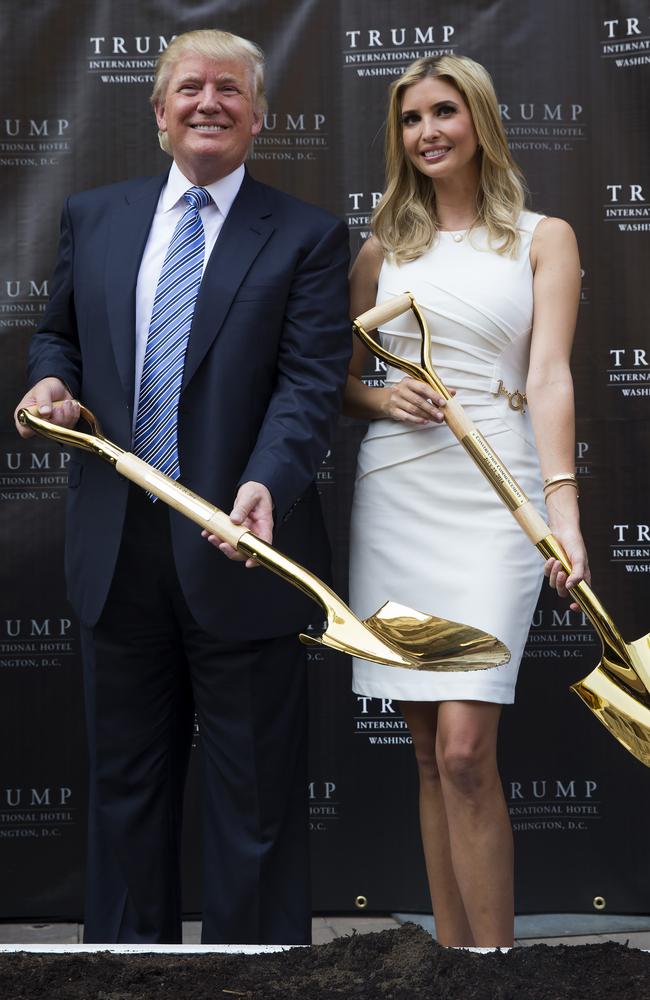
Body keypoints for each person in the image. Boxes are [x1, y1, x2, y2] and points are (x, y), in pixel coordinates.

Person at [14, 29, 350, 946]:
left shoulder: (310, 236)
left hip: (242, 548)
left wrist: (266, 482)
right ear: (159, 113)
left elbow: (309, 386)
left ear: (259, 115)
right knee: (125, 792)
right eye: (190, 89)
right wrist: (50, 382)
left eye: (231, 90)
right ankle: (122, 970)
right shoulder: (95, 214)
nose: (210, 103)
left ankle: (257, 973)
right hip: (115, 551)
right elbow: (59, 336)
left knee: (254, 801)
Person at [344, 54, 589, 948]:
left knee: (463, 750)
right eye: (412, 120)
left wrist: (562, 514)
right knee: (423, 754)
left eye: (445, 112)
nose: (429, 132)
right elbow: (343, 384)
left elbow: (552, 375)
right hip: (399, 490)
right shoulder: (380, 249)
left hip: (499, 497)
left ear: (481, 120)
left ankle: (495, 966)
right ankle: (457, 963)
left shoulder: (542, 236)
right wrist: (381, 397)